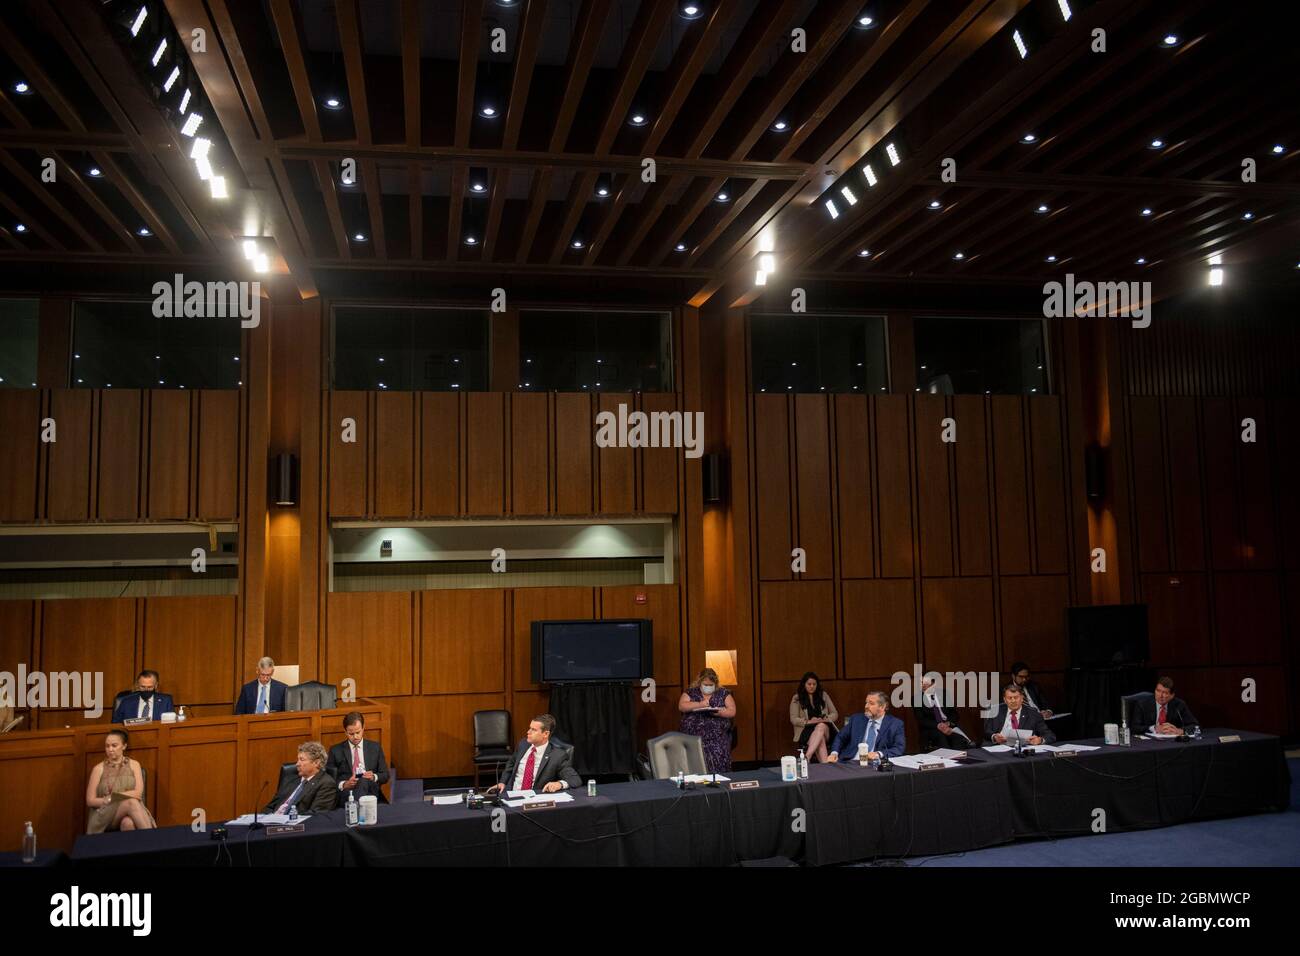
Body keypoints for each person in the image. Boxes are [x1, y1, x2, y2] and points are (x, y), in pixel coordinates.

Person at [488, 714, 581, 794]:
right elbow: (511, 764)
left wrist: (559, 784)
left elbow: (575, 779)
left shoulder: (558, 755)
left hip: (535, 800)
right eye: (529, 728)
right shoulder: (523, 744)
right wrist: (502, 782)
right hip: (512, 795)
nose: (528, 732)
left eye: (534, 730)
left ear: (545, 734)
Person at [85, 729, 156, 833]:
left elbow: (138, 793)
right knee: (131, 802)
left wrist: (114, 797)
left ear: (124, 746)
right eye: (107, 746)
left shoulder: (134, 765)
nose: (110, 749)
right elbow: (90, 800)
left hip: (129, 811)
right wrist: (108, 801)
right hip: (104, 814)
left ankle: (138, 849)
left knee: (128, 823)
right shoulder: (98, 769)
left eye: (114, 745)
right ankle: (154, 841)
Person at [679, 668, 736, 773]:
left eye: (711, 685)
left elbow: (732, 711)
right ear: (700, 682)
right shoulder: (690, 692)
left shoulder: (724, 693)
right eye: (706, 684)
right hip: (694, 737)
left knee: (718, 759)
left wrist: (720, 712)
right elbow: (682, 706)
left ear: (715, 683)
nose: (708, 687)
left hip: (717, 738)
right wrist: (699, 704)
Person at [326, 711, 390, 801]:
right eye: (351, 734)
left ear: (363, 728)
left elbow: (385, 775)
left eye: (358, 732)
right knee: (361, 782)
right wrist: (344, 784)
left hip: (371, 790)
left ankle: (356, 808)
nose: (355, 737)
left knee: (363, 780)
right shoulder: (336, 750)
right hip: (348, 793)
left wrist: (373, 776)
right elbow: (329, 780)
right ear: (345, 732)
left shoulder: (375, 747)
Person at [827, 692, 905, 762]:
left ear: (882, 707)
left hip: (874, 764)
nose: (866, 706)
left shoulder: (895, 724)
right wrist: (834, 753)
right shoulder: (856, 719)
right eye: (866, 703)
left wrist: (878, 754)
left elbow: (899, 748)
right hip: (851, 761)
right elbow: (840, 737)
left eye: (871, 703)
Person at [263, 741, 337, 814]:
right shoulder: (291, 780)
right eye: (298, 759)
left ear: (316, 763)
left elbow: (316, 814)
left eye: (302, 759)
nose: (297, 764)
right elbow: (270, 807)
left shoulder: (326, 784)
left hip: (294, 824)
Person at [914, 674, 976, 750]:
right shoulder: (916, 699)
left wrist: (948, 723)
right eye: (920, 683)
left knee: (958, 738)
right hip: (932, 728)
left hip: (948, 725)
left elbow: (954, 714)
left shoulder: (944, 694)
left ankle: (959, 759)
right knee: (941, 738)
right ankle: (947, 760)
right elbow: (922, 720)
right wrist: (939, 725)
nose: (922, 685)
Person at [789, 671, 839, 763]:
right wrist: (809, 721)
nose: (812, 686)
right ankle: (826, 767)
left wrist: (824, 719)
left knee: (821, 726)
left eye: (814, 684)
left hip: (825, 728)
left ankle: (807, 756)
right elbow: (793, 719)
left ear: (817, 685)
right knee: (820, 740)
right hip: (806, 730)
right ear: (804, 684)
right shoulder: (797, 698)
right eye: (809, 684)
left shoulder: (823, 695)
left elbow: (835, 714)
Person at [984, 684, 1055, 745]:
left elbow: (1050, 735)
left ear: (1022, 698)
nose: (1013, 701)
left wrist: (1040, 740)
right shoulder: (996, 711)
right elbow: (986, 731)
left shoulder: (1033, 714)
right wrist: (994, 737)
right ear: (1005, 700)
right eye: (1009, 698)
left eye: (1016, 697)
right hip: (999, 747)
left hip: (1025, 749)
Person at [1131, 676, 1197, 734]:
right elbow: (1134, 728)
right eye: (1158, 691)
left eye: (1165, 693)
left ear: (1172, 695)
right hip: (1149, 742)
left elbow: (1196, 726)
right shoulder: (1142, 704)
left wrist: (1180, 731)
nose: (1160, 695)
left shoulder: (1179, 705)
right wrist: (1154, 728)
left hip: (1171, 742)